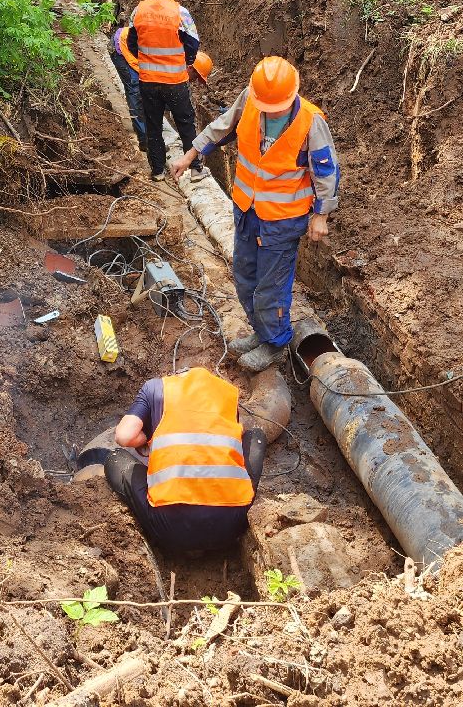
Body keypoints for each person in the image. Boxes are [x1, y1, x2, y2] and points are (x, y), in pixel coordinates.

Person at [171, 57, 340, 372]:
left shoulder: (310, 121)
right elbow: (223, 128)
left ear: (292, 96)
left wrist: (321, 215)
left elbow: (326, 171)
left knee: (270, 288)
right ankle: (263, 333)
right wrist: (192, 153)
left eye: (276, 107)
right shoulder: (250, 99)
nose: (269, 111)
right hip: (246, 209)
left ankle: (276, 345)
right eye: (266, 105)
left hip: (282, 219)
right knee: (245, 277)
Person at [104, 367, 266, 555]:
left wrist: (149, 437)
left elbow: (124, 436)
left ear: (175, 376)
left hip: (170, 529)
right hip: (231, 525)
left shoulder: (154, 388)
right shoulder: (227, 392)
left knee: (115, 459)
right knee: (256, 435)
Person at [125, 0, 207, 182]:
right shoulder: (181, 12)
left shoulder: (139, 9)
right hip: (174, 81)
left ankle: (158, 170)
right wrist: (184, 62)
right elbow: (193, 44)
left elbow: (132, 42)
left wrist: (146, 60)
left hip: (148, 80)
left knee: (153, 125)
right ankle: (196, 169)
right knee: (186, 123)